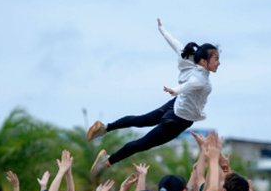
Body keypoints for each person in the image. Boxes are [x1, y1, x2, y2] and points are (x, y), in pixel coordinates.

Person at [88, 18, 220, 175]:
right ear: (204, 61)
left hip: (175, 105)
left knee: (141, 120)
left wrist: (163, 30)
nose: (219, 63)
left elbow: (177, 45)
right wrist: (176, 89)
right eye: (216, 59)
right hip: (177, 121)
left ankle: (105, 127)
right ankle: (108, 160)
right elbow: (191, 84)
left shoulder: (190, 61)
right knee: (142, 143)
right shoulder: (202, 80)